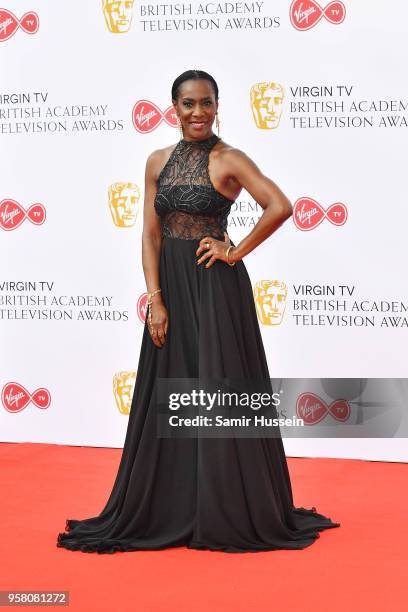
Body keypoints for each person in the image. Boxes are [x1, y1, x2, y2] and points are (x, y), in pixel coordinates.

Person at [57, 69, 340, 553]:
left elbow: (280, 205)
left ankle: (223, 505)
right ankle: (172, 504)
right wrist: (156, 299)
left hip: (214, 290)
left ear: (217, 106)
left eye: (206, 102)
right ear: (174, 108)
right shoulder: (156, 161)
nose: (197, 112)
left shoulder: (229, 159)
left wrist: (236, 250)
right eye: (188, 103)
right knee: (173, 391)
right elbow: (150, 234)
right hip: (171, 290)